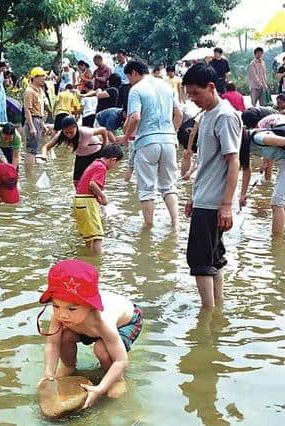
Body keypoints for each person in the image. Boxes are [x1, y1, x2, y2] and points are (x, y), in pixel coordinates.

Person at [38, 259, 142, 409]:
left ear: (90, 307)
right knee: (64, 337)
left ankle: (117, 379)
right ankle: (69, 366)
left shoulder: (102, 321)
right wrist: (48, 373)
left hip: (128, 320)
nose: (62, 315)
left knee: (102, 348)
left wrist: (100, 389)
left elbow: (121, 360)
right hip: (86, 324)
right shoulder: (62, 314)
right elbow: (53, 343)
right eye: (56, 306)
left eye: (71, 309)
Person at [183, 63, 241, 309]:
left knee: (200, 260)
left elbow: (233, 161)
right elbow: (207, 163)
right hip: (205, 198)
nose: (193, 99)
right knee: (213, 258)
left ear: (210, 87)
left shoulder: (225, 116)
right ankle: (216, 311)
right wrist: (194, 197)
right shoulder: (208, 114)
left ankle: (205, 317)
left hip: (214, 202)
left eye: (196, 93)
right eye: (190, 95)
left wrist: (226, 204)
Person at [118, 60, 182, 228]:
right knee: (168, 187)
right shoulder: (167, 87)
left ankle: (148, 227)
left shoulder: (136, 89)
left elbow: (136, 117)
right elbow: (179, 114)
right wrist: (171, 133)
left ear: (133, 73)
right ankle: (176, 224)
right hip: (168, 141)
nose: (129, 81)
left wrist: (125, 137)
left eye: (128, 77)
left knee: (146, 189)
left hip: (147, 142)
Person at [73, 145, 124, 255]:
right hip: (87, 202)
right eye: (117, 163)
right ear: (113, 160)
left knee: (89, 235)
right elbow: (92, 184)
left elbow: (87, 185)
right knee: (98, 235)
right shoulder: (101, 167)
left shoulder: (94, 163)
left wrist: (97, 198)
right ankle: (98, 259)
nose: (116, 166)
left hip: (79, 200)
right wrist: (103, 196)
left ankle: (89, 255)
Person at [239, 114, 285, 234]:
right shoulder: (248, 145)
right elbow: (246, 170)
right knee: (280, 202)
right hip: (282, 163)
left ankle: (275, 246)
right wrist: (242, 195)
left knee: (277, 202)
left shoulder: (258, 138)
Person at [41, 116, 114, 186]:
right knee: (76, 181)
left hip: (95, 153)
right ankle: (79, 196)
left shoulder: (85, 132)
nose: (69, 135)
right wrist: (44, 154)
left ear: (76, 127)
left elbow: (103, 130)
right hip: (80, 155)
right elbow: (46, 146)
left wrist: (105, 147)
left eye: (71, 132)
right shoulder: (61, 135)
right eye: (66, 133)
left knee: (93, 180)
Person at [23, 67, 47, 167]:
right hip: (32, 120)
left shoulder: (40, 91)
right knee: (31, 150)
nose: (44, 79)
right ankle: (29, 176)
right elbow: (27, 110)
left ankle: (32, 173)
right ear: (35, 78)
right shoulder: (29, 91)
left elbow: (40, 110)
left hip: (38, 119)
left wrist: (43, 124)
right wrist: (32, 127)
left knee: (35, 149)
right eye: (42, 77)